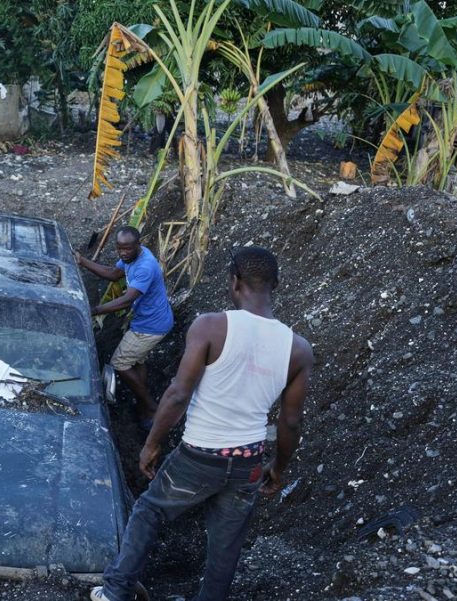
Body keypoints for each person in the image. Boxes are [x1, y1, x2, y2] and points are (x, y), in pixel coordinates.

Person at [90, 247, 314, 601]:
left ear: (234, 281)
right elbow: (290, 421)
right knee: (225, 548)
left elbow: (178, 393)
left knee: (149, 512)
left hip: (198, 457)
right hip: (248, 465)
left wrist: (152, 443)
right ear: (276, 285)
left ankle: (115, 591)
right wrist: (279, 467)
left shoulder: (211, 326)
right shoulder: (298, 349)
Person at [75, 226, 173, 428]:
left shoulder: (146, 266)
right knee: (137, 361)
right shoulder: (132, 257)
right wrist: (82, 261)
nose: (123, 253)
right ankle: (141, 403)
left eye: (127, 249)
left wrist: (93, 310)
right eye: (120, 249)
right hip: (149, 320)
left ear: (139, 244)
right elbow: (113, 274)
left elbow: (126, 301)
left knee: (119, 362)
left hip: (150, 326)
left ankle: (151, 407)